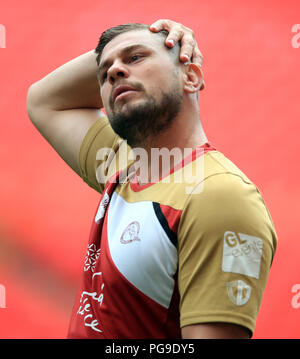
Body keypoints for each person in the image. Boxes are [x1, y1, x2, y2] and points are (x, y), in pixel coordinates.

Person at [26, 19, 277, 339]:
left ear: (191, 76)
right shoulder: (120, 164)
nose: (115, 71)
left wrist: (153, 43)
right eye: (105, 73)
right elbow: (43, 100)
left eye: (135, 58)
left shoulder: (220, 196)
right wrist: (125, 49)